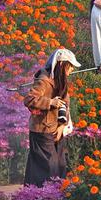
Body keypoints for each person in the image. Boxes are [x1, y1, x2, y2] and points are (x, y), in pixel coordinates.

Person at [23, 48, 79, 187]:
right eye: (70, 65)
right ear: (61, 65)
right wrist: (50, 102)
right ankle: (40, 199)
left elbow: (65, 105)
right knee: (49, 168)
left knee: (59, 166)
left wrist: (61, 126)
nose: (72, 69)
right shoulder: (44, 80)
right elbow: (29, 99)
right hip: (42, 130)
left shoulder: (60, 80)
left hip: (55, 129)